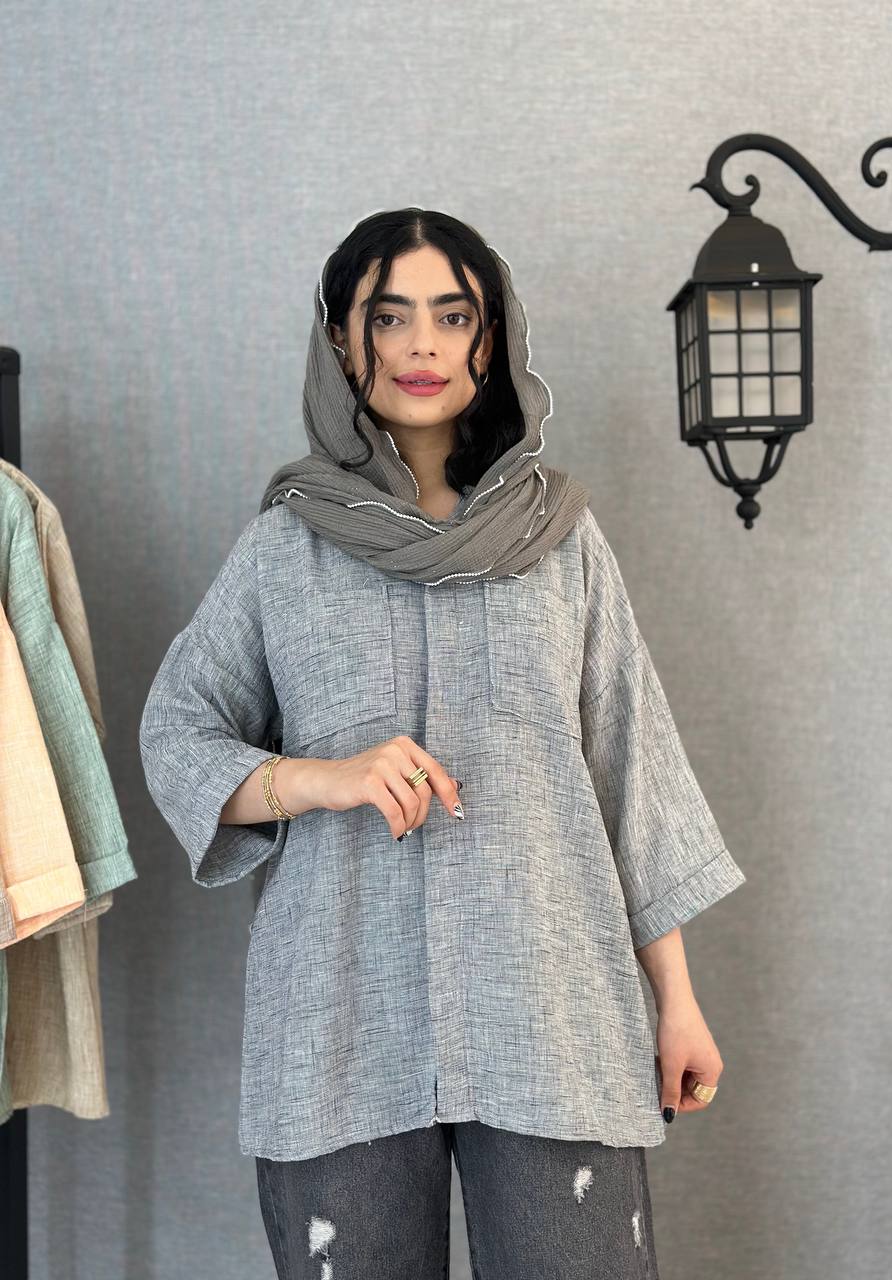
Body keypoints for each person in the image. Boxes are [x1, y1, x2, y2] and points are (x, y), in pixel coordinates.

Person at [139, 207, 746, 1279]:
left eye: (452, 315)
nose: (421, 344)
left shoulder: (561, 542)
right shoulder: (284, 551)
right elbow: (176, 732)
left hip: (549, 1008)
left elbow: (631, 768)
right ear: (343, 341)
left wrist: (679, 1003)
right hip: (340, 1021)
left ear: (489, 338)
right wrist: (322, 778)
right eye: (389, 316)